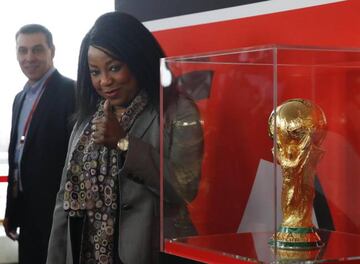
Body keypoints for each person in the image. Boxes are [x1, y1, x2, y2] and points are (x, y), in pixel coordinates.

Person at [47, 11, 202, 264]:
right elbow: (63, 201)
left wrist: (124, 143)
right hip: (86, 253)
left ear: (138, 59)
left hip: (151, 253)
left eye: (114, 68)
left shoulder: (176, 110)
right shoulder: (86, 119)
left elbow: (185, 188)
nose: (104, 81)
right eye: (95, 72)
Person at [3, 24, 76, 264]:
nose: (29, 58)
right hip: (27, 214)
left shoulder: (71, 92)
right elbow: (17, 160)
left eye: (37, 50)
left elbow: (76, 160)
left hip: (58, 215)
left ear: (51, 51)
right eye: (22, 51)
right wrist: (11, 213)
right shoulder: (20, 98)